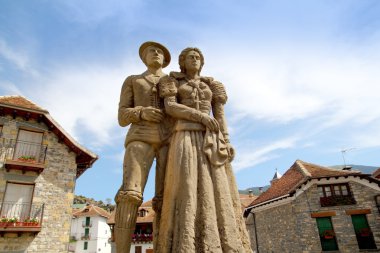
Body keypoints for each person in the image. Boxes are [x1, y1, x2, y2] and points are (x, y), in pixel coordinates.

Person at [156, 47, 252, 252]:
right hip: (185, 135)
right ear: (182, 62)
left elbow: (219, 114)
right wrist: (201, 117)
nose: (195, 59)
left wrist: (226, 139)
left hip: (211, 139)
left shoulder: (213, 85)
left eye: (198, 57)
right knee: (186, 185)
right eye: (190, 57)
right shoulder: (172, 81)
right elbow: (171, 107)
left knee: (218, 187)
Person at [115, 41, 172, 253]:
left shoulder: (173, 80)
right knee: (130, 195)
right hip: (140, 137)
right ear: (144, 58)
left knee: (167, 198)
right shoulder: (133, 80)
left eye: (160, 51)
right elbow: (122, 116)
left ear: (165, 59)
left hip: (169, 140)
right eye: (151, 51)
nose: (156, 53)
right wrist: (141, 112)